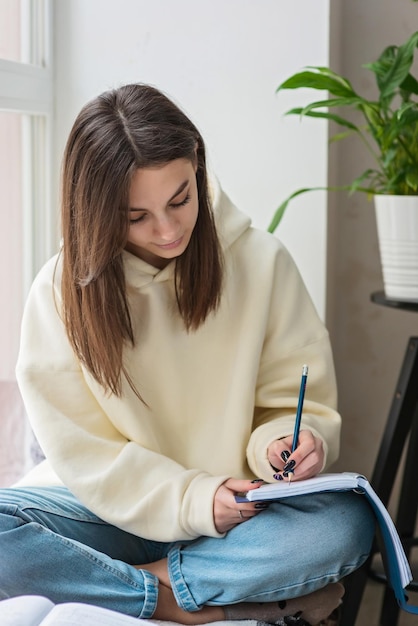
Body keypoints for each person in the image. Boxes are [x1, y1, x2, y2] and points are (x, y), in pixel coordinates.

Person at [0, 83, 375, 626]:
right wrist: (193, 497)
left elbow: (291, 407)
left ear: (197, 167)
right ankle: (178, 598)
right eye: (137, 216)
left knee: (343, 523)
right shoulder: (59, 293)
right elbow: (87, 456)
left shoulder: (260, 261)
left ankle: (133, 582)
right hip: (116, 513)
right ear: (97, 212)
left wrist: (287, 444)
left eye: (180, 199)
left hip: (240, 517)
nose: (169, 229)